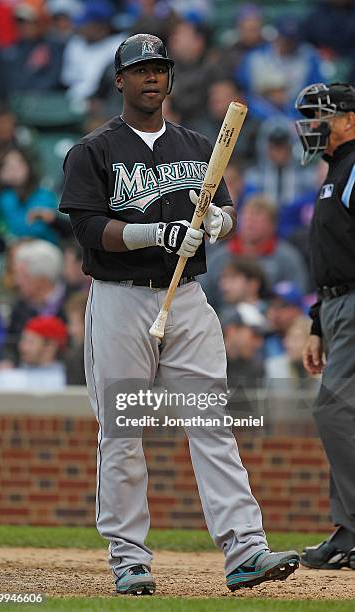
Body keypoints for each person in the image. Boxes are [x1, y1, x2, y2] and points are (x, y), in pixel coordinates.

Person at [59, 33, 299, 596]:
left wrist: (220, 223)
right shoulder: (93, 150)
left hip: (187, 298)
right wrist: (157, 231)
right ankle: (129, 559)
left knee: (212, 422)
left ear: (169, 78)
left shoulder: (194, 144)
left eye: (159, 68)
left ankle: (245, 548)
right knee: (122, 430)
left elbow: (226, 208)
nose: (151, 77)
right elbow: (89, 230)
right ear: (119, 79)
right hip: (119, 298)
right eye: (139, 69)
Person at [295, 82, 355, 569]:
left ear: (351, 119)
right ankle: (347, 531)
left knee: (333, 412)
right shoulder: (336, 169)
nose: (313, 126)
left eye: (323, 116)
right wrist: (318, 321)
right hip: (337, 307)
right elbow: (334, 254)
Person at [0, 314, 67, 390]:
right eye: (23, 340)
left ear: (50, 346)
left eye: (30, 342)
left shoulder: (64, 382)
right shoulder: (7, 376)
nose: (22, 347)